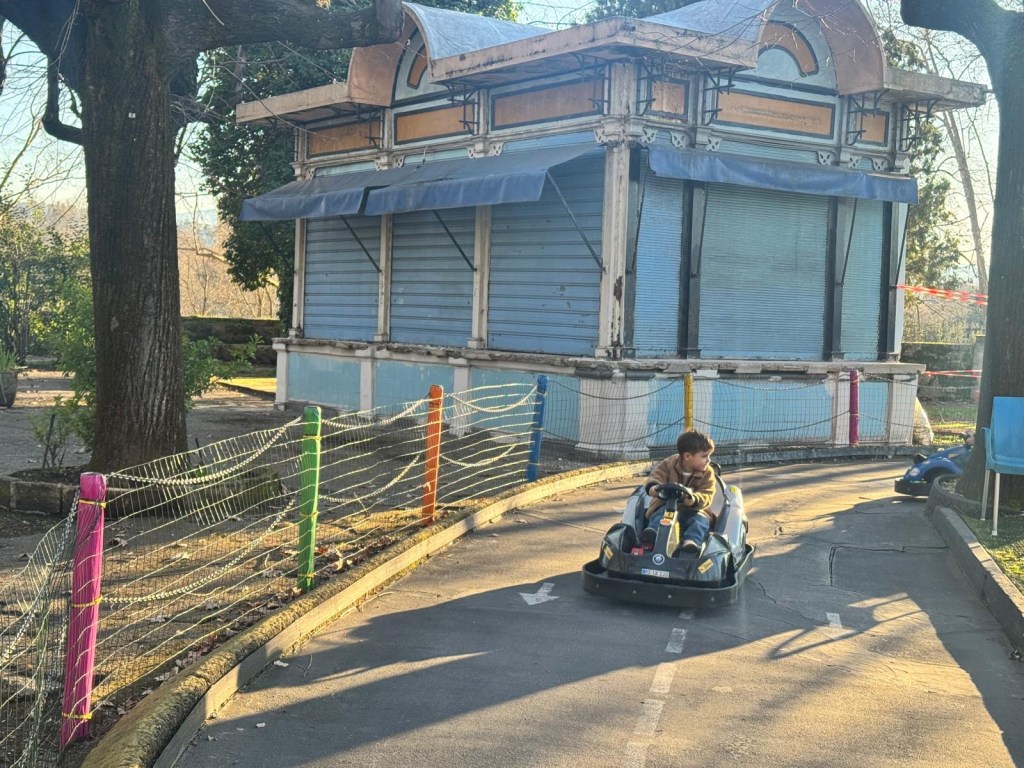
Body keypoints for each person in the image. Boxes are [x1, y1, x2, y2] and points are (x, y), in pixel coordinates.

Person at [643, 430, 716, 553]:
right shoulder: (669, 464)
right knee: (659, 514)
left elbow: (707, 493)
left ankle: (691, 542)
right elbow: (656, 476)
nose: (708, 460)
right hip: (667, 506)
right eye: (704, 456)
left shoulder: (708, 473)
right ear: (687, 456)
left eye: (709, 456)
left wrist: (694, 499)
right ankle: (653, 533)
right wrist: (654, 487)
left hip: (693, 510)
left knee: (700, 521)